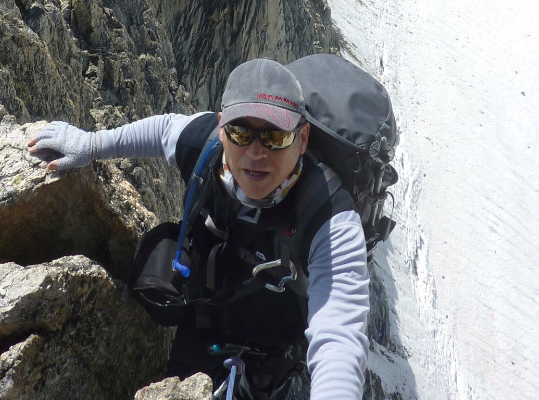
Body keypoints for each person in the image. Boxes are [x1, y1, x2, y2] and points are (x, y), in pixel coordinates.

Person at [27, 58, 369, 400]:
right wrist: (92, 145)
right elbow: (162, 131)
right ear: (221, 128)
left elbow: (339, 336)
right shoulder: (207, 146)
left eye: (275, 137)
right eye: (240, 133)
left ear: (303, 138)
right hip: (201, 318)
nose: (255, 151)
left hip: (266, 358)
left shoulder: (330, 216)